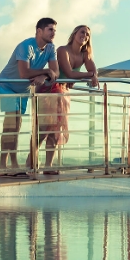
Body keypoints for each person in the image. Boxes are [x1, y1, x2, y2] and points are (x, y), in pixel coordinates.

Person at [0, 18, 59, 177]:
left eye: (54, 30)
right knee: (10, 125)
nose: (53, 33)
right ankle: (5, 166)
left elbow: (55, 73)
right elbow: (24, 73)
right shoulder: (26, 46)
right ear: (39, 31)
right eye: (50, 29)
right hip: (7, 86)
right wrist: (45, 72)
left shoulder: (51, 48)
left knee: (16, 126)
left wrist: (45, 76)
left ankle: (12, 165)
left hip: (23, 90)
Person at [36, 25, 98, 163]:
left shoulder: (84, 54)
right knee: (43, 129)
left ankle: (48, 165)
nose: (85, 36)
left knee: (56, 129)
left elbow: (94, 71)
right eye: (82, 32)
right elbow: (70, 73)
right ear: (75, 33)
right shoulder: (63, 50)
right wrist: (87, 75)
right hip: (49, 90)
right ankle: (30, 161)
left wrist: (90, 75)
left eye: (88, 35)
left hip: (63, 93)